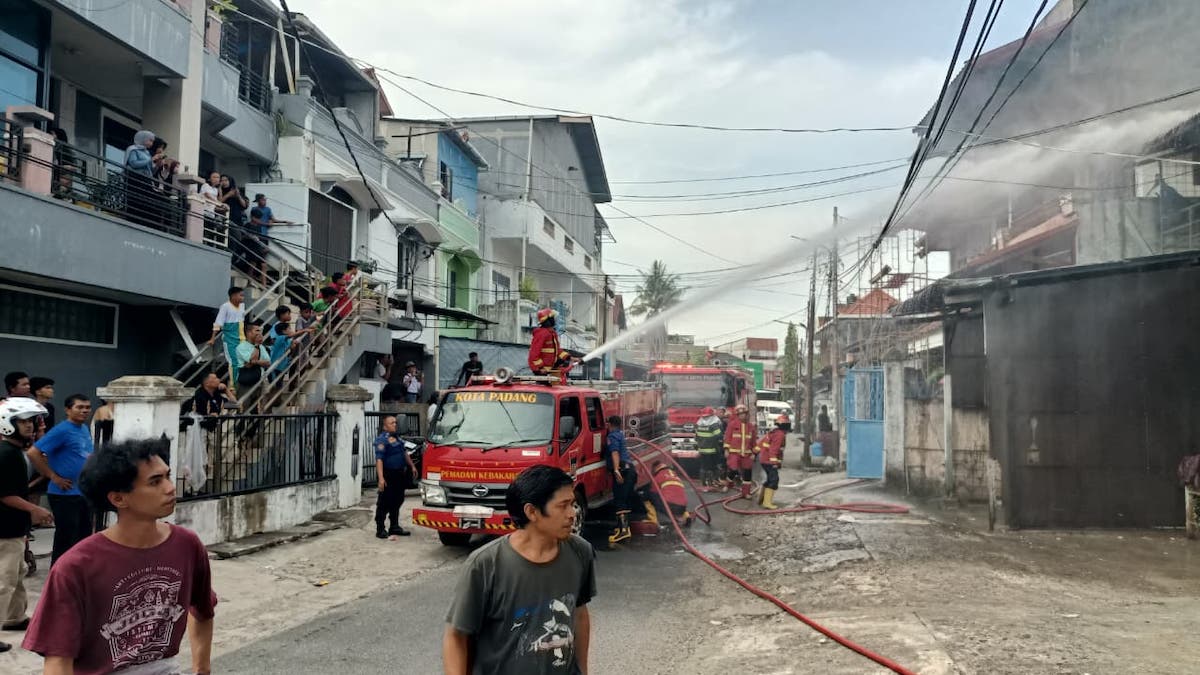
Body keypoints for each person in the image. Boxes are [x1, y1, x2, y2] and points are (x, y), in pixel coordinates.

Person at [22, 436, 217, 675]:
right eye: (155, 482)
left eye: (167, 476)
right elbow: (58, 661)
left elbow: (204, 610)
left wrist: (202, 669)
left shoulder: (187, 545)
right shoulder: (76, 567)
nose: (170, 487)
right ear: (118, 498)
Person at [443, 465, 595, 675]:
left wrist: (583, 671)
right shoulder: (485, 565)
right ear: (532, 512)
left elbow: (579, 615)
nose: (572, 514)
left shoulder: (580, 552)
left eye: (573, 504)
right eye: (563, 506)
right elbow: (456, 636)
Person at [0, 398, 55, 653]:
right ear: (9, 424)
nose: (30, 426)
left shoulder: (14, 452)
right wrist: (36, 509)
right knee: (4, 581)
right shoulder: (6, 455)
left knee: (18, 573)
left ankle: (15, 617)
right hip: (4, 528)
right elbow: (5, 494)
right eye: (23, 421)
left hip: (14, 527)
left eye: (31, 421)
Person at [26, 394, 94, 566]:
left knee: (84, 537)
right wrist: (53, 476)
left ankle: (78, 573)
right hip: (64, 494)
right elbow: (34, 453)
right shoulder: (62, 430)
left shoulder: (84, 429)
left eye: (87, 407)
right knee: (66, 539)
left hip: (83, 492)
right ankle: (59, 575)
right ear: (68, 409)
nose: (84, 411)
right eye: (79, 407)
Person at [373, 415, 417, 540]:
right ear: (385, 426)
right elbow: (379, 460)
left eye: (396, 423)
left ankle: (394, 526)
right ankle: (380, 528)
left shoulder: (397, 438)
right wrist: (381, 478)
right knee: (384, 501)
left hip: (399, 474)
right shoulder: (382, 440)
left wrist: (412, 466)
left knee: (398, 499)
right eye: (392, 423)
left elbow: (404, 452)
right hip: (388, 474)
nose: (395, 425)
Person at [606, 415, 636, 546]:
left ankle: (623, 531)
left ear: (610, 425)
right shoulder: (620, 434)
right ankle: (624, 527)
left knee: (619, 500)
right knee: (625, 499)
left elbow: (615, 452)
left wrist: (616, 469)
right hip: (631, 471)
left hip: (623, 471)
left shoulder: (612, 436)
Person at [208, 286, 246, 387]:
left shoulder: (242, 306)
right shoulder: (225, 306)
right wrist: (212, 338)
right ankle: (234, 385)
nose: (242, 298)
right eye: (240, 295)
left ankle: (241, 381)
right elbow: (218, 323)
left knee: (244, 360)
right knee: (234, 362)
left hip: (242, 338)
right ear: (233, 296)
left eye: (243, 296)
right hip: (230, 339)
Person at [249, 193, 291, 285]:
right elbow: (254, 220)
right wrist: (267, 224)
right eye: (263, 200)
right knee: (256, 257)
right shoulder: (254, 209)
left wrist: (284, 221)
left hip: (264, 235)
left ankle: (259, 275)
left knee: (264, 252)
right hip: (257, 235)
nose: (264, 201)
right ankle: (253, 276)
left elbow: (273, 219)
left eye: (265, 200)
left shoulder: (268, 209)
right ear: (258, 201)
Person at [124, 130, 159, 230]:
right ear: (143, 139)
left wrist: (157, 164)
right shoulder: (132, 149)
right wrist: (150, 160)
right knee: (137, 202)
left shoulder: (146, 152)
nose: (151, 144)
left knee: (148, 202)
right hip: (136, 180)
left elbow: (150, 169)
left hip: (146, 180)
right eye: (150, 141)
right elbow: (134, 164)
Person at [528, 308, 573, 383]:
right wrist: (540, 368)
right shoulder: (541, 334)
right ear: (548, 320)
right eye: (552, 318)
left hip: (549, 370)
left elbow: (557, 350)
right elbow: (533, 354)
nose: (554, 320)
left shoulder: (552, 333)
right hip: (541, 371)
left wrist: (570, 358)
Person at [756, 415, 790, 510]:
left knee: (770, 479)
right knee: (774, 480)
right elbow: (774, 450)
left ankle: (761, 499)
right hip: (769, 461)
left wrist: (754, 452)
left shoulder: (773, 432)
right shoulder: (780, 435)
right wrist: (774, 463)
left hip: (764, 460)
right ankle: (767, 503)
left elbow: (761, 443)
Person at [724, 404, 757, 499]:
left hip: (747, 454)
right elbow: (727, 438)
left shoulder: (751, 427)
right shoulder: (732, 424)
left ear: (747, 414)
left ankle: (746, 492)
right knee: (733, 470)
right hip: (734, 453)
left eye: (744, 414)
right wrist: (726, 450)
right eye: (740, 414)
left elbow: (754, 442)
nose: (743, 416)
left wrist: (754, 453)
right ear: (737, 415)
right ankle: (728, 484)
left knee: (747, 473)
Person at [646, 460, 692, 527]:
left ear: (655, 469)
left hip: (670, 506)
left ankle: (654, 521)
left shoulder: (658, 476)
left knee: (647, 496)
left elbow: (653, 493)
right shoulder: (675, 475)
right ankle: (685, 516)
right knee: (676, 497)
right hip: (683, 506)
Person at [694, 406, 724, 491]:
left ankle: (704, 483)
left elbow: (696, 437)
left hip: (702, 450)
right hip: (712, 450)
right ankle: (711, 483)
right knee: (712, 467)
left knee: (703, 467)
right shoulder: (714, 424)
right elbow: (719, 436)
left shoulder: (698, 423)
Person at [235, 322, 270, 394]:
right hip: (246, 381)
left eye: (260, 331)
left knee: (261, 403)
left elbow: (268, 362)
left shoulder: (262, 347)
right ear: (249, 332)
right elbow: (250, 362)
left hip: (261, 379)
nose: (260, 333)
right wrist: (256, 346)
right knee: (246, 403)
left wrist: (254, 362)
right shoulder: (241, 347)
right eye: (257, 331)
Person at [50, 128, 78, 200]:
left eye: (53, 134)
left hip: (64, 176)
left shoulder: (66, 150)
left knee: (62, 190)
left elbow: (75, 167)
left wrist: (65, 167)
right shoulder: (53, 147)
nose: (51, 136)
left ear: (58, 136)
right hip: (56, 174)